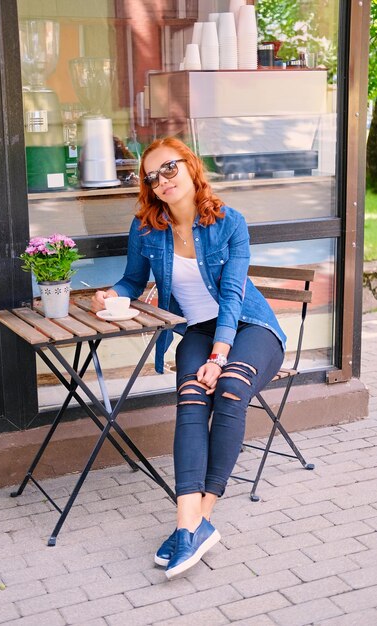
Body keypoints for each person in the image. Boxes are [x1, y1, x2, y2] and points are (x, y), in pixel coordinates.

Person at [92, 137, 286, 579]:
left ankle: (196, 520)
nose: (162, 181)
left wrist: (219, 356)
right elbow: (131, 281)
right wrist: (110, 295)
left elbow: (234, 297)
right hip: (195, 331)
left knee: (232, 389)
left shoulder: (230, 223)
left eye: (170, 169)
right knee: (193, 398)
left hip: (250, 328)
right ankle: (190, 526)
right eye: (152, 177)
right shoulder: (145, 229)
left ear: (191, 168)